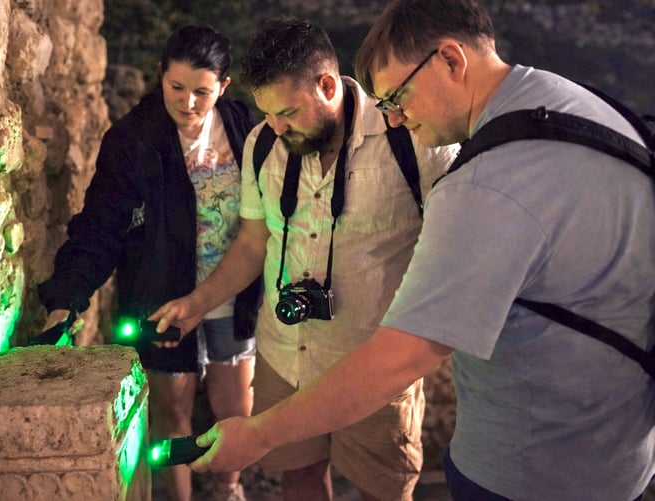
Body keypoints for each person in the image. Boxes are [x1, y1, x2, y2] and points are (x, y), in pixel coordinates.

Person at [180, 1, 655, 500]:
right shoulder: (575, 106)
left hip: (533, 466)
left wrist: (257, 434)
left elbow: (404, 354)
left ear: (451, 60)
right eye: (386, 103)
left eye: (400, 95)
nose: (398, 116)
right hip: (611, 454)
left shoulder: (478, 181)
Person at [150, 16, 458, 501]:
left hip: (375, 365)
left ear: (328, 85)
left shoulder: (411, 138)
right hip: (283, 357)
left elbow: (452, 251)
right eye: (266, 113)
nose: (275, 126)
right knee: (298, 479)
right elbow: (254, 244)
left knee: (384, 490)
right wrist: (197, 302)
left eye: (288, 112)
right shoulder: (262, 145)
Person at [37, 25, 260, 501]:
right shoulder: (132, 141)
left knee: (236, 409)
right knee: (170, 415)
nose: (187, 103)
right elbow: (99, 225)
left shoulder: (244, 128)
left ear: (224, 86)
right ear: (160, 76)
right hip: (161, 297)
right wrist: (67, 299)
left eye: (201, 92)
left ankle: (228, 488)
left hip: (229, 291)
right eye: (175, 88)